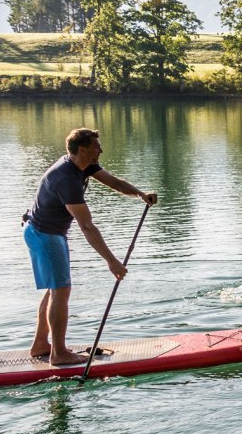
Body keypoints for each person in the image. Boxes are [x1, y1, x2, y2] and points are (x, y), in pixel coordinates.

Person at [24, 128, 157, 365]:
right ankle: (59, 354)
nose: (101, 150)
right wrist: (112, 261)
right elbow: (87, 226)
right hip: (45, 234)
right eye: (96, 147)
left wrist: (139, 194)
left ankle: (40, 345)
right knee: (61, 290)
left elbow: (114, 183)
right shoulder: (66, 178)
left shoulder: (84, 165)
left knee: (56, 289)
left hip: (45, 232)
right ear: (82, 149)